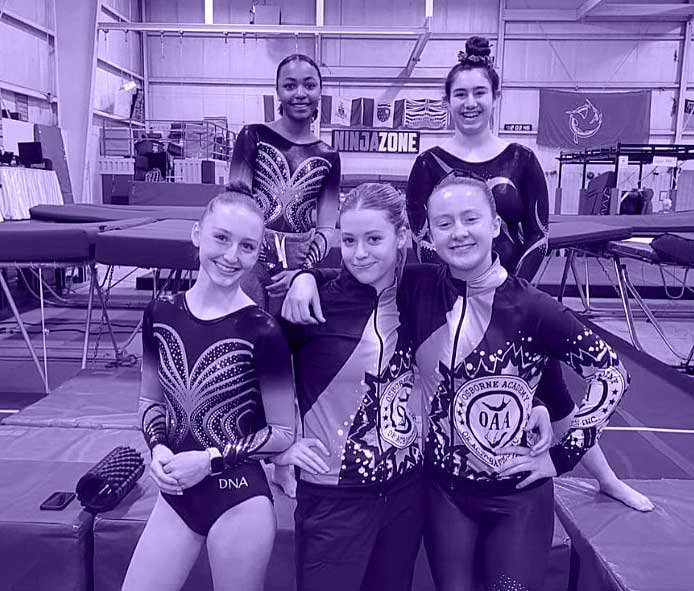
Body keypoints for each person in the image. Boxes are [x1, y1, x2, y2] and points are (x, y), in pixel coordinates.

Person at [284, 175, 629, 591]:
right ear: (428, 235)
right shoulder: (418, 288)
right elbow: (359, 274)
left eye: (470, 219)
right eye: (445, 223)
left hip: (517, 495)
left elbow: (612, 373)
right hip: (441, 494)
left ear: (495, 225)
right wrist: (304, 276)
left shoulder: (533, 308)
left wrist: (562, 456)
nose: (458, 232)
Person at [405, 36, 652, 513]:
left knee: (553, 390)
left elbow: (538, 234)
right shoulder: (428, 163)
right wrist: (457, 292)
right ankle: (432, 476)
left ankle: (605, 477)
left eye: (479, 93)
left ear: (496, 97)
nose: (470, 102)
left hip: (512, 296)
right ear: (447, 102)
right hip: (447, 300)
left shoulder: (520, 159)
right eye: (460, 94)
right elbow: (422, 236)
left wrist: (510, 292)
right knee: (438, 386)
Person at [123, 190, 295, 591]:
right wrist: (158, 448)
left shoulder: (263, 330)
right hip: (178, 493)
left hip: (238, 498)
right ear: (197, 234)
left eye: (247, 246)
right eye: (222, 238)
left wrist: (208, 460)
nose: (232, 256)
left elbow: (283, 433)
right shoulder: (160, 313)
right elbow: (150, 401)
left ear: (258, 253)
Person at [274, 183, 425, 591]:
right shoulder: (312, 304)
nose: (359, 254)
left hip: (405, 494)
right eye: (350, 240)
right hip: (333, 497)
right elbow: (255, 375)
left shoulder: (421, 294)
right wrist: (277, 449)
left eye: (373, 239)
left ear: (401, 236)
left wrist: (539, 403)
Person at [229, 53, 341, 304]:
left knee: (291, 327)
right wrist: (267, 260)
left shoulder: (329, 156)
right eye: (290, 86)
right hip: (250, 251)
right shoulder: (253, 136)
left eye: (309, 85)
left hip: (300, 258)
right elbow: (235, 209)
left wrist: (303, 271)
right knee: (247, 322)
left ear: (320, 91)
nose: (300, 93)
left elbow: (327, 227)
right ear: (278, 91)